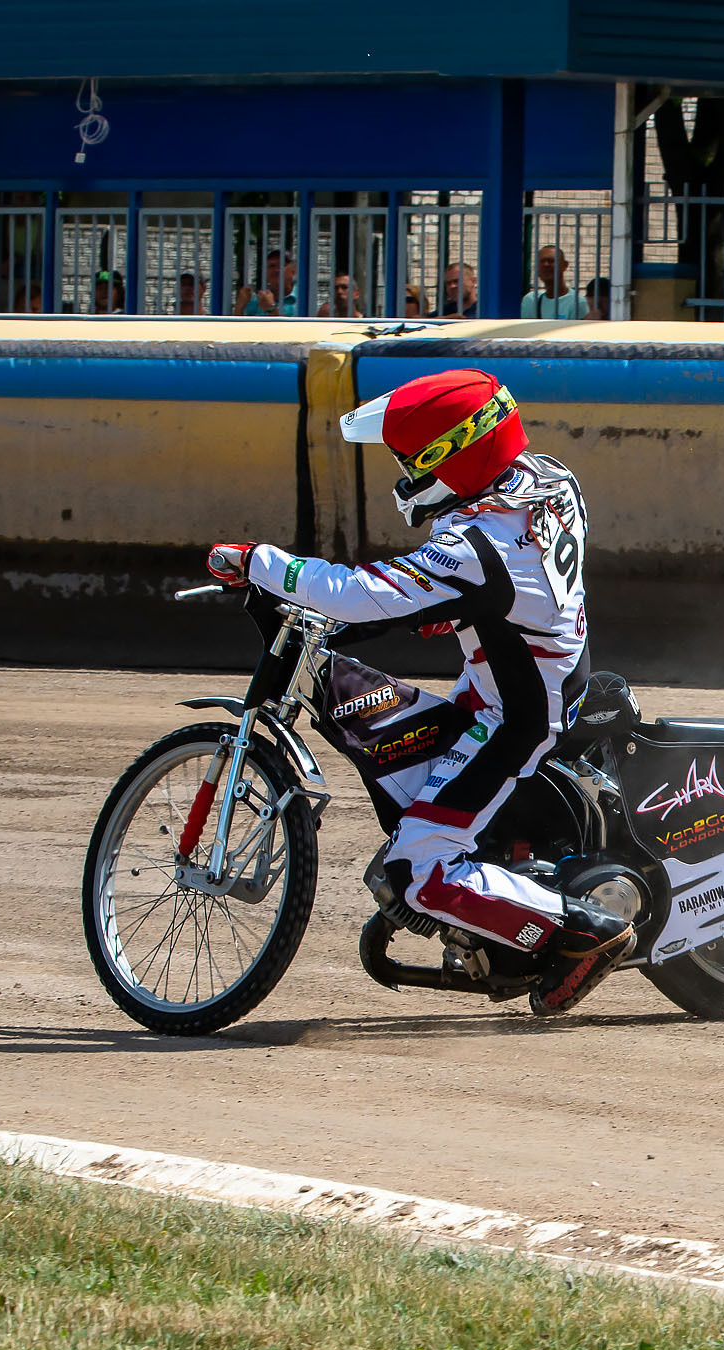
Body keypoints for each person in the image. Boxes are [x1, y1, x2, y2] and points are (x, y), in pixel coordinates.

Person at [203, 369, 632, 1014]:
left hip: (516, 718)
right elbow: (513, 587)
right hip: (528, 679)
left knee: (414, 874)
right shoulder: (541, 477)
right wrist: (452, 605)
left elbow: (359, 593)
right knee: (405, 770)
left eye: (411, 460)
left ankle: (582, 931)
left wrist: (260, 561)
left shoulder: (478, 543)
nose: (404, 474)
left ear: (453, 455)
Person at [520, 245, 584, 319]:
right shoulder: (531, 300)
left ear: (565, 265)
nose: (546, 264)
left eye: (551, 261)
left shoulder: (578, 303)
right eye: (542, 261)